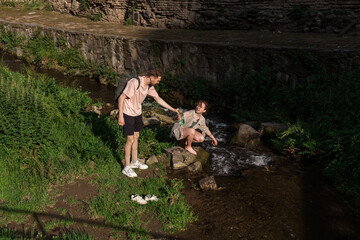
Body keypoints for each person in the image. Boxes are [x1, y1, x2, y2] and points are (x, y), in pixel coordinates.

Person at [118, 68, 178, 178]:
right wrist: (121, 116)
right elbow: (121, 97)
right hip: (128, 113)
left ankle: (134, 161)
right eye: (158, 80)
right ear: (151, 77)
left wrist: (173, 109)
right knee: (130, 139)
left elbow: (158, 99)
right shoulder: (135, 82)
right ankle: (126, 167)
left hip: (137, 112)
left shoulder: (149, 86)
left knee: (136, 136)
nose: (158, 82)